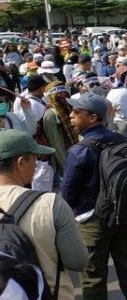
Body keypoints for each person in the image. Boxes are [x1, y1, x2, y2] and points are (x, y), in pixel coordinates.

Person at [61, 93, 127, 299]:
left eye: (77, 111)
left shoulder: (79, 151)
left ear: (93, 118)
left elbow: (67, 193)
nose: (71, 115)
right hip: (124, 214)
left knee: (93, 277)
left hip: (92, 221)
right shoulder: (121, 140)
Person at [0, 129, 88, 300]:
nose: (37, 165)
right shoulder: (50, 203)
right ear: (20, 163)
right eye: (35, 158)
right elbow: (77, 261)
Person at [42, 81, 79, 179]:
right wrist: (66, 167)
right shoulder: (51, 115)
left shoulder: (69, 107)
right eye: (59, 93)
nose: (63, 95)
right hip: (66, 160)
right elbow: (56, 144)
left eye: (64, 92)